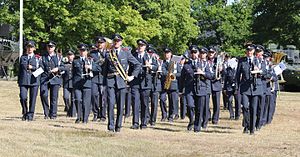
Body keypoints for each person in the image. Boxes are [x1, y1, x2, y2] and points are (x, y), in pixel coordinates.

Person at [104, 34, 141, 132]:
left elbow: (137, 64)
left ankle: (118, 125)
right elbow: (104, 70)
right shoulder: (108, 54)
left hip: (121, 81)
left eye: (118, 41)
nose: (116, 42)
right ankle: (111, 126)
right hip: (110, 81)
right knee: (111, 104)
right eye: (115, 41)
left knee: (120, 105)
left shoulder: (126, 53)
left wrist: (132, 76)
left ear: (121, 42)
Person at [179, 45, 213, 132]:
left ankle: (197, 127)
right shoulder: (186, 64)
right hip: (189, 89)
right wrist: (180, 90)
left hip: (201, 88)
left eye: (195, 52)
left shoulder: (204, 64)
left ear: (198, 53)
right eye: (192, 52)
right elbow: (182, 78)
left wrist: (203, 73)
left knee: (199, 109)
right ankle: (191, 120)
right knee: (190, 106)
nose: (193, 54)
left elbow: (211, 76)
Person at [236, 44, 267, 135]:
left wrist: (259, 71)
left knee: (253, 108)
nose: (249, 52)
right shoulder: (242, 61)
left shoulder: (259, 60)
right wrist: (237, 88)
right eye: (248, 50)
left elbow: (265, 73)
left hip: (256, 87)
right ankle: (247, 124)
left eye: (251, 50)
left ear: (254, 51)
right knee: (245, 107)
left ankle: (252, 129)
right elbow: (237, 75)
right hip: (245, 88)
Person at [130, 39, 158, 129]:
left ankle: (144, 123)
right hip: (135, 82)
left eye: (142, 46)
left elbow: (156, 67)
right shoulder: (133, 56)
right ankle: (135, 123)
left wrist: (150, 66)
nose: (140, 47)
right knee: (135, 103)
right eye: (139, 45)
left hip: (146, 83)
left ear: (145, 47)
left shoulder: (150, 56)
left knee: (144, 104)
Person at [40, 41, 64, 119]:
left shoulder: (59, 57)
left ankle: (53, 114)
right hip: (45, 79)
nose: (50, 48)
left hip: (55, 79)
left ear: (54, 48)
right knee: (44, 95)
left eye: (51, 47)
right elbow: (40, 67)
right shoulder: (43, 57)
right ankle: (46, 113)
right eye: (49, 47)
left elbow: (64, 67)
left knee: (54, 98)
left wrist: (58, 69)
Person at [18, 40, 40, 121]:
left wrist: (33, 68)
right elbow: (20, 70)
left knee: (32, 99)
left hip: (34, 81)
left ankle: (30, 114)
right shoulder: (23, 57)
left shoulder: (37, 58)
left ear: (34, 48)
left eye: (31, 47)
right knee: (23, 97)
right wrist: (19, 81)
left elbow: (41, 69)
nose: (29, 49)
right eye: (28, 47)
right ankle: (25, 111)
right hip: (23, 81)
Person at [72, 44, 93, 124]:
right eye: (81, 51)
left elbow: (98, 68)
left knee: (86, 102)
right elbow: (73, 73)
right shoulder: (75, 61)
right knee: (77, 100)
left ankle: (85, 118)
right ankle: (79, 116)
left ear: (86, 52)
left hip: (87, 83)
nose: (82, 52)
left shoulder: (90, 60)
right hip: (77, 83)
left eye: (84, 51)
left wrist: (90, 67)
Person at [161, 48, 181, 122]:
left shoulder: (176, 62)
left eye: (168, 53)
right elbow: (163, 71)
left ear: (171, 53)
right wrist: (168, 74)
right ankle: (164, 115)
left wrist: (174, 75)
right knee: (162, 99)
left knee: (172, 101)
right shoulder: (163, 62)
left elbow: (180, 73)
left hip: (173, 84)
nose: (166, 54)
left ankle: (171, 116)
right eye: (165, 53)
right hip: (165, 84)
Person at [90, 36, 108, 122]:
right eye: (98, 43)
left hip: (104, 78)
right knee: (94, 96)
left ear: (104, 44)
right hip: (95, 78)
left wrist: (95, 67)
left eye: (101, 43)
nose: (100, 45)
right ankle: (96, 113)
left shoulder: (108, 53)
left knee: (103, 98)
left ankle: (103, 115)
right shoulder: (92, 53)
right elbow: (91, 65)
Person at [207, 47, 222, 125]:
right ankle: (208, 116)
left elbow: (224, 73)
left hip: (216, 83)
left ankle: (215, 118)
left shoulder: (218, 61)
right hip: (208, 83)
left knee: (216, 103)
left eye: (212, 53)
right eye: (209, 52)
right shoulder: (205, 61)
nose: (210, 54)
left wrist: (221, 69)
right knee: (206, 102)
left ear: (215, 53)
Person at [61, 50, 76, 117]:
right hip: (66, 83)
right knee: (65, 97)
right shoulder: (64, 64)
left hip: (73, 83)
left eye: (71, 55)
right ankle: (68, 109)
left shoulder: (76, 63)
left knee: (73, 99)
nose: (70, 57)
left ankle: (72, 113)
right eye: (68, 55)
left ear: (73, 56)